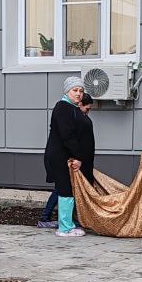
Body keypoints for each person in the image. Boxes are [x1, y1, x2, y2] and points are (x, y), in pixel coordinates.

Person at [43, 76, 93, 237]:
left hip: (65, 156)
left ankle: (68, 225)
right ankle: (64, 228)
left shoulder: (71, 107)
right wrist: (77, 156)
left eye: (81, 90)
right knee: (65, 190)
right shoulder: (63, 107)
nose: (78, 93)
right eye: (75, 90)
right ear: (67, 91)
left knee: (67, 190)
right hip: (60, 156)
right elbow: (67, 135)